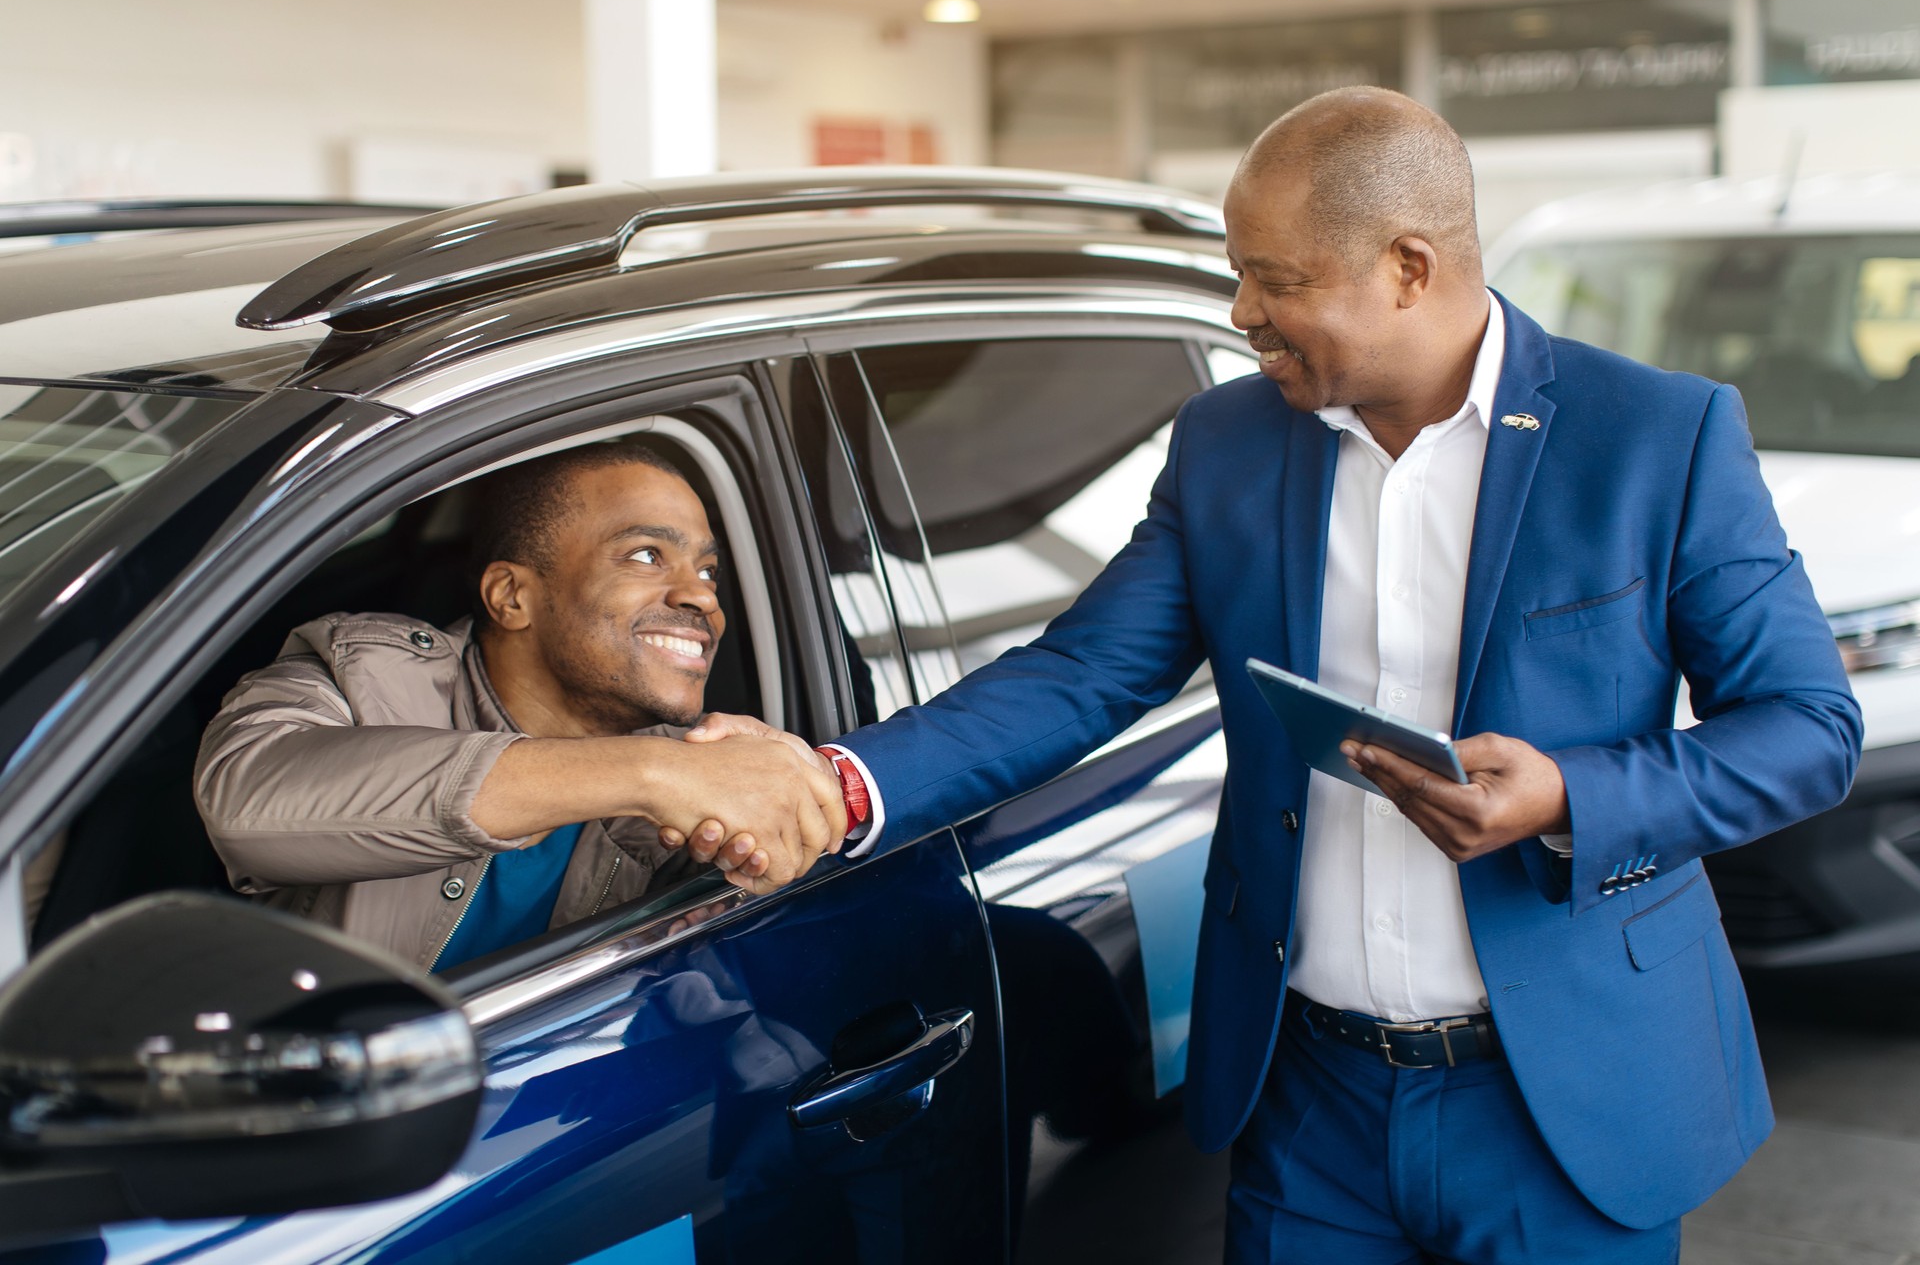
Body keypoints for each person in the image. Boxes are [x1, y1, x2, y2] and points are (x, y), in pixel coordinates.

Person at [691, 88, 1861, 1261]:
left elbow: (1809, 728)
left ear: (1409, 267)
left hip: (1568, 1100)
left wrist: (1566, 795)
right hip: (1313, 1105)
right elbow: (1085, 672)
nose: (1243, 311)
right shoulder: (1229, 441)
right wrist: (832, 784)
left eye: (1277, 279)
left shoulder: (1658, 435)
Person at [195, 440, 846, 974]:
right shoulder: (360, 674)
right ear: (511, 597)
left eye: (708, 574)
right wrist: (654, 774)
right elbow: (246, 800)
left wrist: (755, 861)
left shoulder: (697, 782)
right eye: (648, 555)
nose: (701, 600)